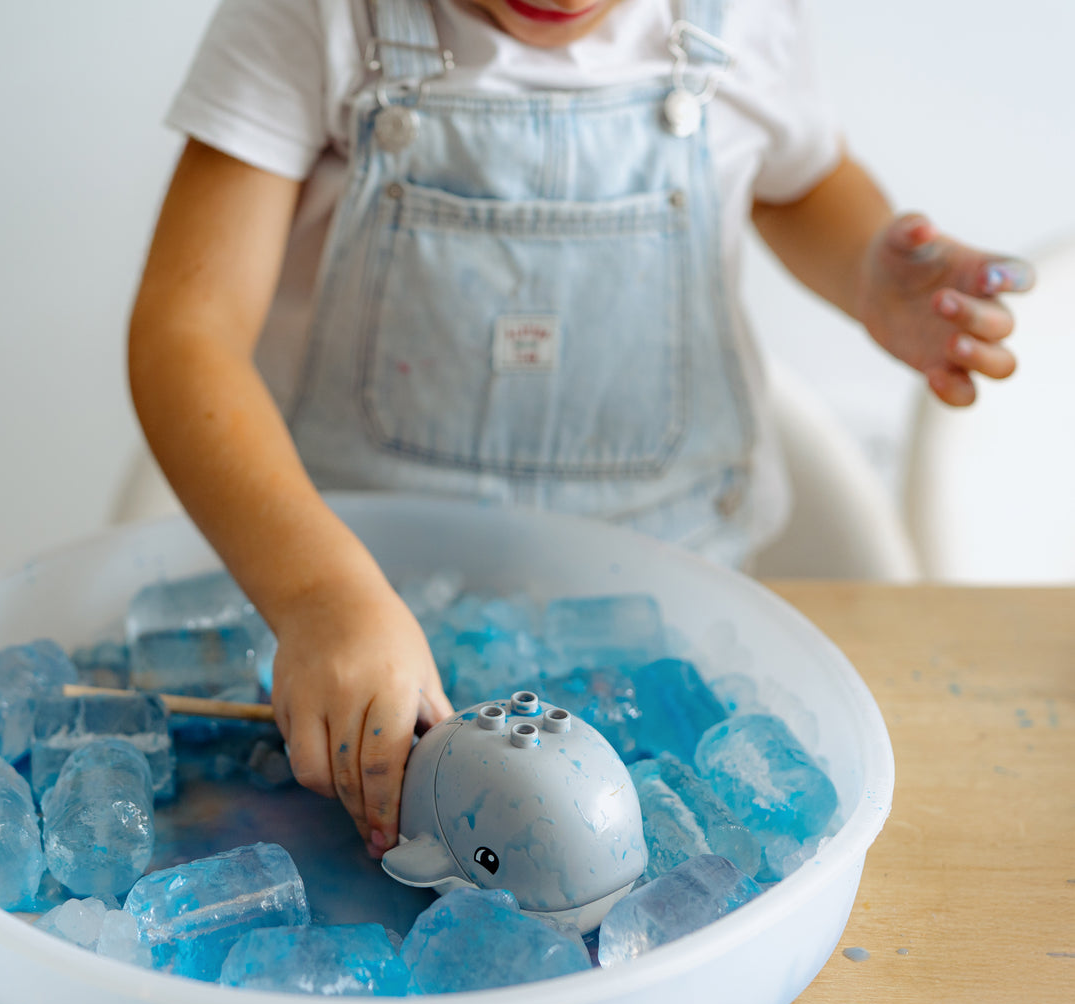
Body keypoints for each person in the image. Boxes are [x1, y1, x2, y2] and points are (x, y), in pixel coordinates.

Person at [126, 0, 1034, 860]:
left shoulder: (740, 22)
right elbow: (185, 335)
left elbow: (800, 183)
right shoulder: (314, 22)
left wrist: (868, 274)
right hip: (361, 650)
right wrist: (322, 597)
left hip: (656, 638)